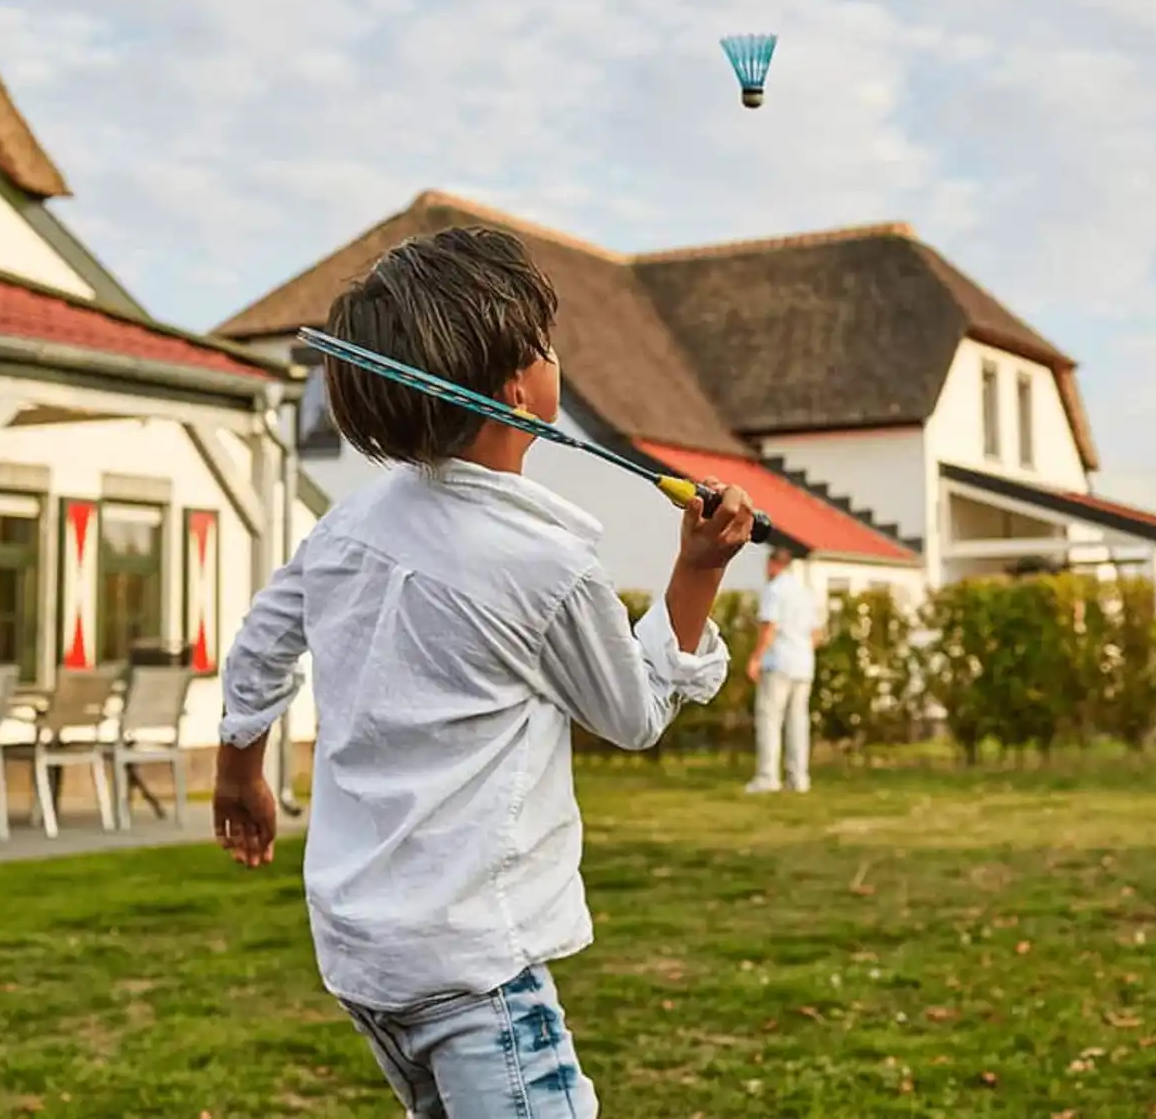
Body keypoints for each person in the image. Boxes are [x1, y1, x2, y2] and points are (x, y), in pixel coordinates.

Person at [210, 225, 755, 1118]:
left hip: (366, 958)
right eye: (544, 346)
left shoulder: (347, 529)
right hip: (474, 970)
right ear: (517, 389)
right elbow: (634, 712)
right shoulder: (546, 567)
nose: (555, 358)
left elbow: (262, 645)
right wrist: (697, 573)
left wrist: (240, 774)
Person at [745, 546, 821, 794]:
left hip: (778, 662)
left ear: (773, 565)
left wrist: (756, 658)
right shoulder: (805, 592)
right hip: (803, 664)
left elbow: (769, 628)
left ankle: (768, 777)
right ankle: (798, 778)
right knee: (798, 721)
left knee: (770, 719)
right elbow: (816, 633)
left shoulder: (774, 590)